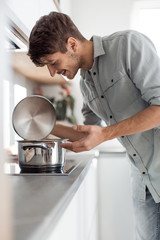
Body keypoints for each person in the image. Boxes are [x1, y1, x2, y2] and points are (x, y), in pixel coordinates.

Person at [28, 11, 160, 240]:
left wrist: (106, 133)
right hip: (143, 183)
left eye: (53, 62)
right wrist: (42, 124)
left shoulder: (128, 45)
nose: (52, 72)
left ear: (72, 44)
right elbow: (86, 134)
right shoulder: (86, 85)